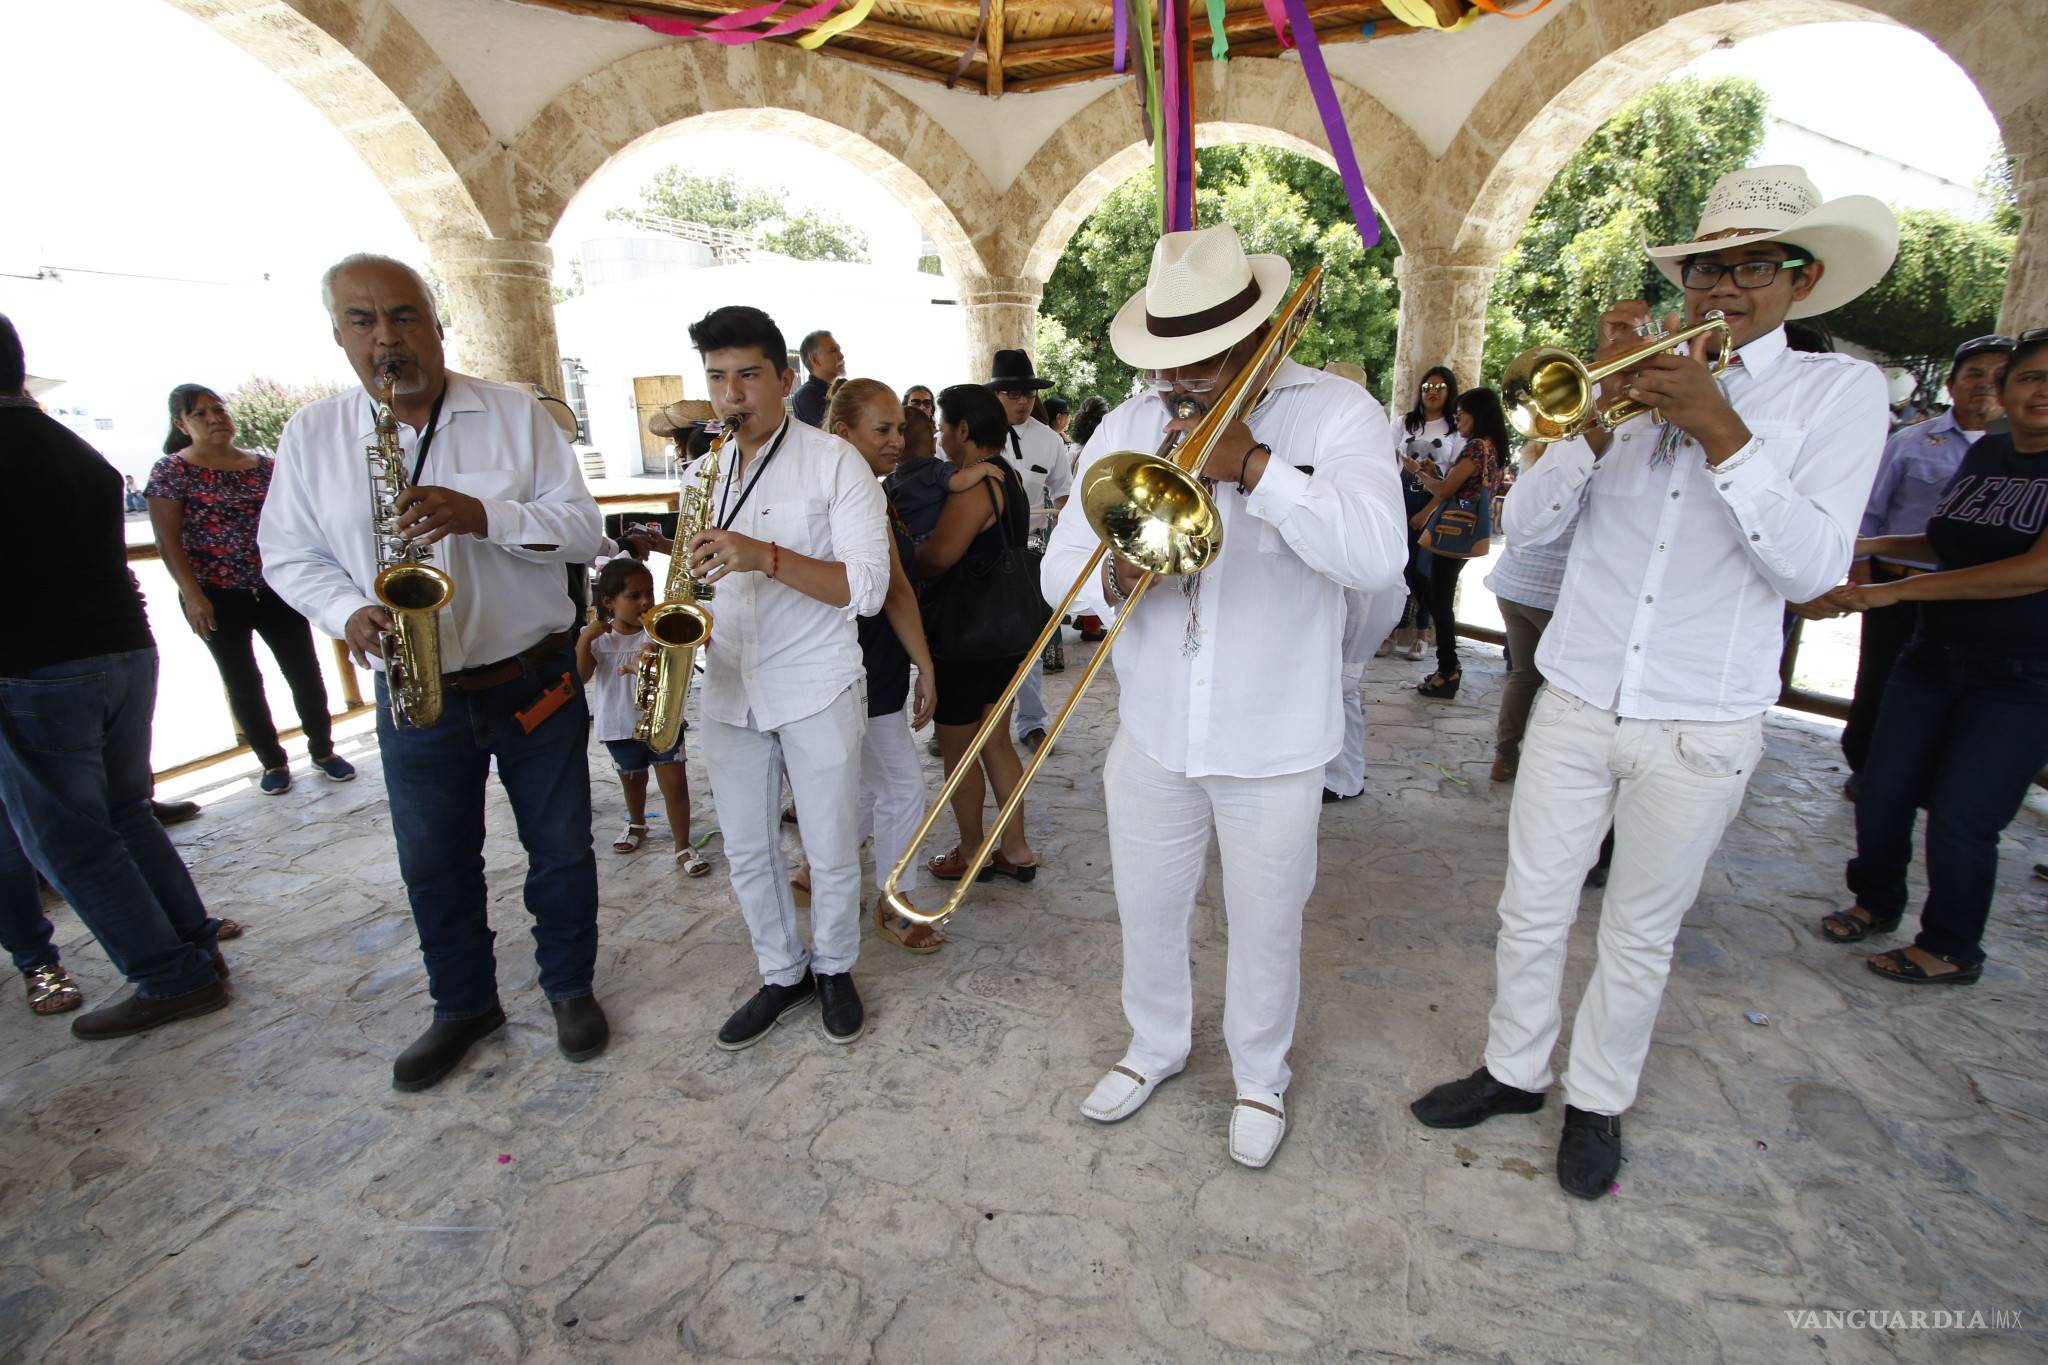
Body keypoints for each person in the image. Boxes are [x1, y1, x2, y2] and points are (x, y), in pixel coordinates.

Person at [1409, 166, 1898, 1200]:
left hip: (1699, 718)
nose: (1723, 287)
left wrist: (1719, 424)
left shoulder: (1837, 394)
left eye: (1751, 267)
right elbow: (1528, 531)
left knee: (1637, 926)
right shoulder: (1621, 393)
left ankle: (1596, 1098)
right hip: (1578, 695)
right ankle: (1510, 1071)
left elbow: (1809, 570)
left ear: (1798, 280)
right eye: (1707, 269)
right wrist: (1589, 414)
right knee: (1531, 906)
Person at [1043, 225, 1407, 1169]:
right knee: (1148, 907)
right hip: (1156, 731)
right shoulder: (1126, 424)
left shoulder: (1337, 416)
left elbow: (1377, 556)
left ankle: (1258, 1074)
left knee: (1266, 919)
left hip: (1276, 738)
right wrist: (1113, 584)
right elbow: (1057, 572)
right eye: (1169, 360)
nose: (1184, 378)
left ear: (1257, 334)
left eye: (1204, 357)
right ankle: (1155, 1044)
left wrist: (1254, 468)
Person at [259, 254, 608, 1090]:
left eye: (404, 316)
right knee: (433, 860)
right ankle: (463, 1004)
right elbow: (288, 553)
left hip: (532, 679)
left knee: (559, 849)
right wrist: (350, 613)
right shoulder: (313, 434)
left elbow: (585, 531)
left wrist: (484, 515)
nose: (386, 338)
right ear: (339, 332)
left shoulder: (516, 413)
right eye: (362, 320)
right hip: (416, 689)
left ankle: (568, 987)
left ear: (436, 322)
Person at [0, 313, 229, 1040]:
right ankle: (189, 936)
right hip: (123, 651)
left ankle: (170, 975)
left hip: (38, 666)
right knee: (126, 809)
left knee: (70, 838)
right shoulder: (66, 444)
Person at [682, 305, 888, 1051]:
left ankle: (834, 964)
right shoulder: (702, 474)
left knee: (830, 845)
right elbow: (699, 585)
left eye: (748, 376)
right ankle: (781, 970)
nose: (732, 395)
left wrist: (762, 554)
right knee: (745, 848)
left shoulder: (838, 463)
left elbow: (865, 588)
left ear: (785, 378)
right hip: (730, 683)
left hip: (816, 680)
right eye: (717, 378)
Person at [1817, 330, 2048, 986]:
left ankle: (1950, 946)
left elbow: (2031, 571)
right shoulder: (1992, 454)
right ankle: (1875, 899)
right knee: (1882, 786)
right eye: (2029, 377)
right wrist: (1866, 541)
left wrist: (1892, 589)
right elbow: (1947, 540)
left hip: (2022, 674)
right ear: (2004, 390)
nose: (2041, 391)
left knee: (1962, 813)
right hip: (1934, 652)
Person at [147, 384, 355, 797]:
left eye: (218, 409)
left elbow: (299, 521)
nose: (213, 419)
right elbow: (166, 540)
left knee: (304, 670)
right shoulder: (172, 471)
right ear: (182, 425)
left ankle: (324, 750)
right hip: (215, 592)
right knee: (242, 678)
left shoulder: (265, 467)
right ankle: (273, 761)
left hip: (276, 586)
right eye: (200, 414)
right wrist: (192, 594)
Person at [1829, 334, 2011, 795]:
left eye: (1999, 376)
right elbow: (1869, 508)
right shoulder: (1910, 442)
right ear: (1951, 384)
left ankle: (1930, 777)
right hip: (1898, 581)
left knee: (1947, 687)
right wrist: (1863, 567)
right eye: (1974, 373)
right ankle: (1868, 768)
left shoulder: (2020, 458)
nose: (1985, 385)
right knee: (1881, 678)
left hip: (1974, 597)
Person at [811, 379, 942, 953]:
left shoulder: (856, 484)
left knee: (866, 783)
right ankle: (895, 900)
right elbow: (895, 593)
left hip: (867, 659)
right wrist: (927, 667)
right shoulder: (856, 489)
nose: (898, 439)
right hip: (861, 662)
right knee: (903, 788)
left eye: (899, 427)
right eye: (882, 429)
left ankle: (813, 875)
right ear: (844, 433)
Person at [917, 384, 1041, 885]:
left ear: (964, 429)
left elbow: (938, 558)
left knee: (959, 748)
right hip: (1005, 631)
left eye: (945, 427)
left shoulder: (974, 485)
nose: (942, 437)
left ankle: (972, 849)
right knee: (996, 741)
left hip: (965, 636)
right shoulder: (1006, 476)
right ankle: (1016, 848)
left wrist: (906, 551)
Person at [576, 558, 709, 875]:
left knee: (675, 785)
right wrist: (584, 640)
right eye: (634, 596)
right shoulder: (598, 638)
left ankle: (682, 845)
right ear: (609, 601)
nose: (646, 602)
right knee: (633, 780)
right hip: (620, 726)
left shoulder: (660, 631)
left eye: (648, 592)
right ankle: (636, 824)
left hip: (664, 721)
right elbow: (580, 677)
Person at [987, 349, 1074, 750]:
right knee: (973, 638)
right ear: (996, 395)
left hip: (1029, 552)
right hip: (980, 553)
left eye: (1027, 393)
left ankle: (1032, 721)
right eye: (1011, 393)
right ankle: (962, 723)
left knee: (1030, 640)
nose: (1021, 401)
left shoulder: (1049, 441)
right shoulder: (972, 434)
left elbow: (1064, 496)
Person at [1405, 387, 1508, 699]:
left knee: (1433, 591)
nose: (1458, 417)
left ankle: (1448, 668)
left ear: (1477, 414)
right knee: (1434, 590)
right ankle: (1446, 667)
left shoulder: (1476, 447)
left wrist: (1418, 474)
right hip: (1466, 530)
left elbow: (1448, 489)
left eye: (1463, 412)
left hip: (1454, 531)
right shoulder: (1493, 448)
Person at [1483, 439, 1574, 781]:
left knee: (1524, 675)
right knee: (1566, 687)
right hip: (1551, 592)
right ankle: (1552, 768)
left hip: (1514, 584)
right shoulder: (1583, 471)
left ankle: (1505, 756)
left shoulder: (1535, 468)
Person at [1392, 366, 1463, 661]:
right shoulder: (1405, 423)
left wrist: (1429, 508)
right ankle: (1390, 630)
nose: (1432, 392)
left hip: (1432, 502)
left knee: (1424, 573)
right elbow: (1385, 458)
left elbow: (1453, 478)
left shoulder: (1454, 430)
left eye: (1439, 387)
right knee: (1397, 566)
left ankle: (1421, 635)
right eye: (1426, 387)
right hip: (1400, 498)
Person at [792, 330, 844, 427]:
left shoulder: (839, 389)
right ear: (815, 360)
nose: (841, 356)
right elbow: (834, 432)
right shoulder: (806, 395)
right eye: (833, 350)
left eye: (839, 350)